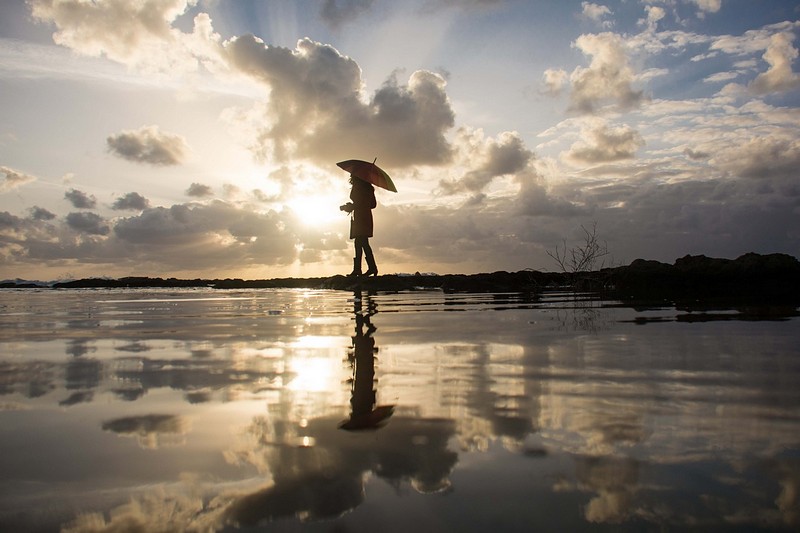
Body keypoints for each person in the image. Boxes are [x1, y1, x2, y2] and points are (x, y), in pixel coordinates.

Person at [340, 176, 378, 276]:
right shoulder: (369, 188)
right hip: (367, 217)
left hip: (360, 217)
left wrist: (347, 207)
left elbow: (358, 204)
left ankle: (361, 269)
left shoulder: (358, 186)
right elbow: (373, 204)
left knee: (360, 242)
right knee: (363, 242)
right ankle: (370, 268)